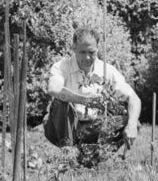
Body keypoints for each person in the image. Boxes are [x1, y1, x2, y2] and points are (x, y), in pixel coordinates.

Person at [44, 27, 142, 168]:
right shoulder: (61, 67)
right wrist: (87, 101)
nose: (87, 57)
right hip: (60, 127)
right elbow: (53, 89)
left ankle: (91, 159)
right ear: (74, 48)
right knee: (60, 101)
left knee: (133, 121)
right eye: (82, 52)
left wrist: (131, 126)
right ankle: (68, 155)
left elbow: (134, 98)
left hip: (92, 128)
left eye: (91, 52)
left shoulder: (107, 71)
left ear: (98, 49)